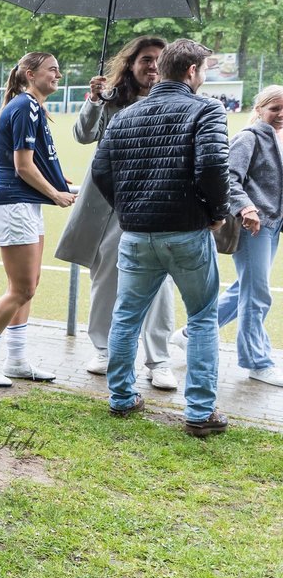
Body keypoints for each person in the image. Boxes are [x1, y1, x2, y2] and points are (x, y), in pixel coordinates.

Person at [91, 39, 231, 437]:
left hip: (136, 233)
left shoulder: (127, 115)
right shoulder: (207, 109)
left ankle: (121, 398)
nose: (204, 77)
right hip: (187, 231)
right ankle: (200, 412)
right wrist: (217, 213)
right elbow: (213, 167)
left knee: (126, 315)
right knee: (202, 317)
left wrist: (129, 208)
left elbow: (100, 171)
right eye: (203, 70)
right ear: (191, 72)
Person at [55, 37, 178, 389]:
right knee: (106, 276)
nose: (152, 66)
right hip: (111, 205)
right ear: (132, 63)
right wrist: (94, 100)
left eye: (159, 60)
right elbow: (83, 135)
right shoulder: (111, 102)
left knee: (160, 283)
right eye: (146, 59)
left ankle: (159, 360)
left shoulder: (176, 101)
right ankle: (104, 348)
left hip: (158, 205)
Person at [0, 53, 76, 387]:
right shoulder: (26, 106)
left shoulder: (32, 107)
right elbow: (22, 166)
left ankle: (16, 360)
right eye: (52, 69)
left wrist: (58, 180)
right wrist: (56, 194)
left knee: (28, 288)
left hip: (24, 205)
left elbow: (38, 160)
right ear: (31, 74)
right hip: (14, 205)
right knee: (22, 288)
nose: (58, 74)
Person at [213, 84, 283, 387]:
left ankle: (190, 334)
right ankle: (257, 362)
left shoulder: (280, 140)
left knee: (246, 287)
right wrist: (247, 209)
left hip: (273, 225)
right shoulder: (248, 138)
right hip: (253, 225)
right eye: (274, 108)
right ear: (259, 109)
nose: (280, 114)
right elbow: (228, 178)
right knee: (257, 295)